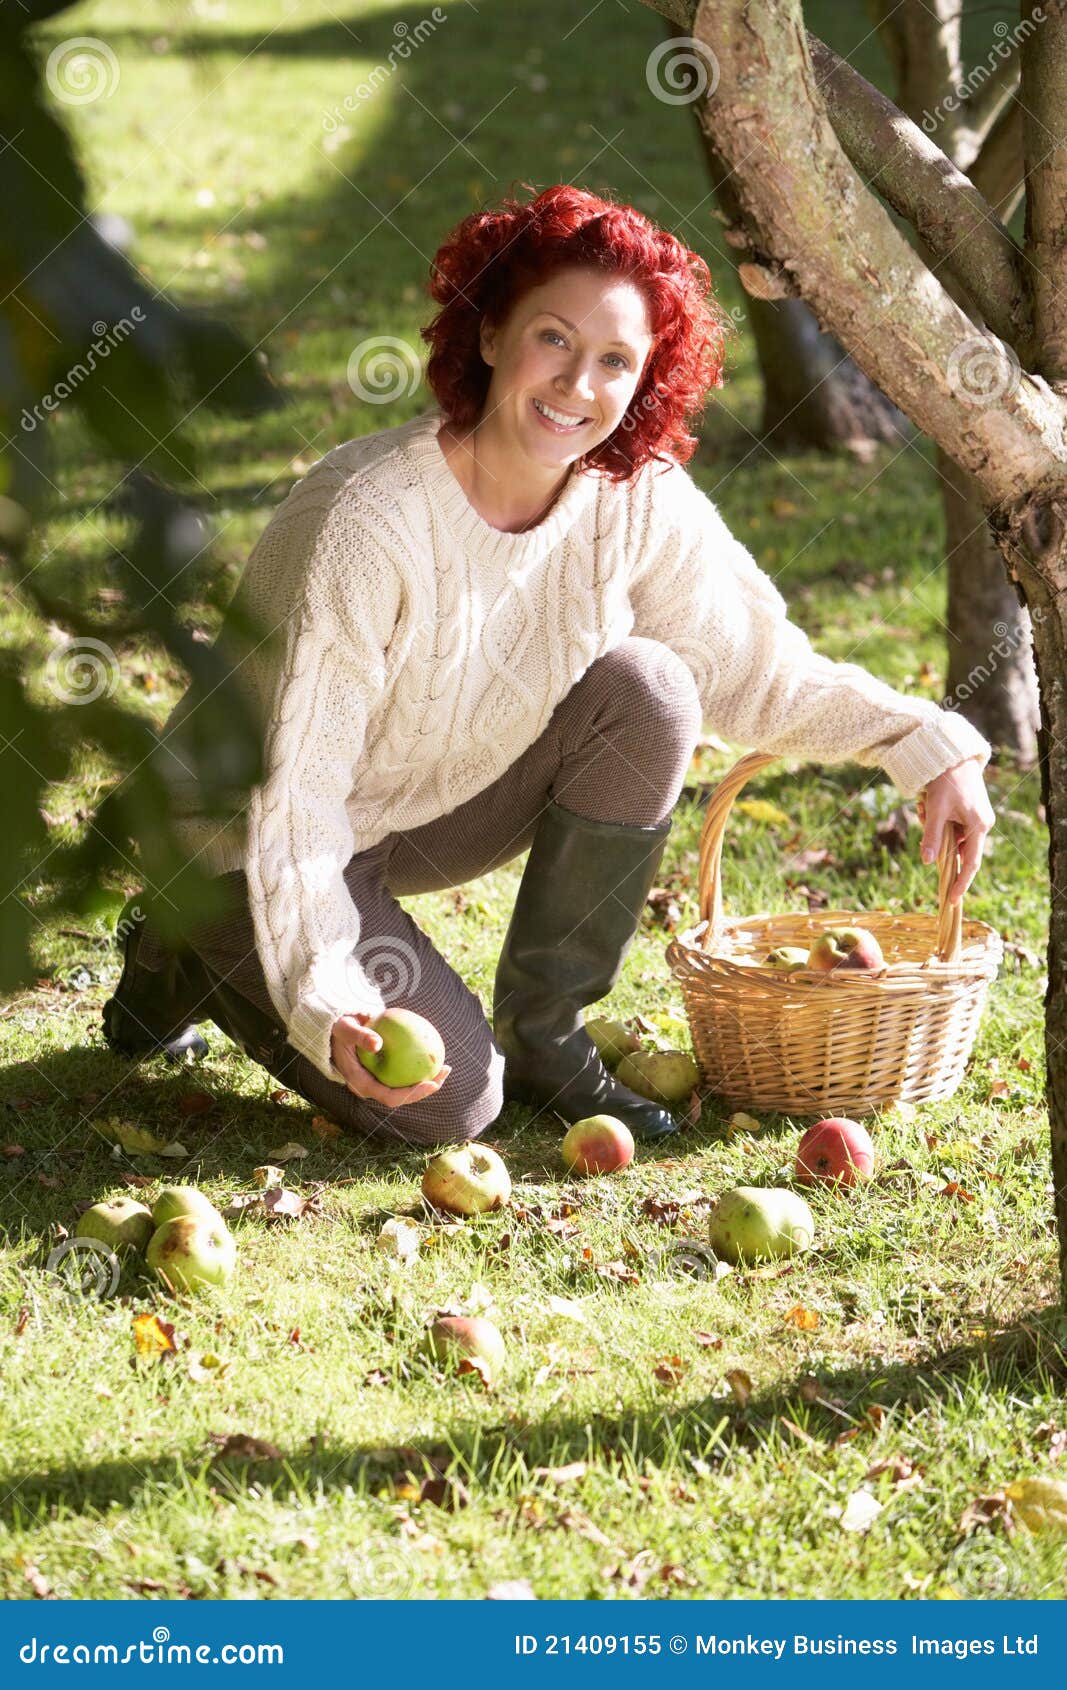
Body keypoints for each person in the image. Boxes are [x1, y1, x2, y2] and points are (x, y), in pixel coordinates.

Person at [101, 183, 996, 1150]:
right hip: (252, 835)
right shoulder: (365, 523)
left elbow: (751, 667)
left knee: (649, 687)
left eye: (615, 359)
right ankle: (185, 937)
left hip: (418, 808)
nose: (578, 384)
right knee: (447, 1107)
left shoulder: (632, 497)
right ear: (489, 335)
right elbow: (297, 796)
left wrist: (922, 741)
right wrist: (328, 999)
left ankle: (544, 1037)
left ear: (645, 378)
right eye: (554, 339)